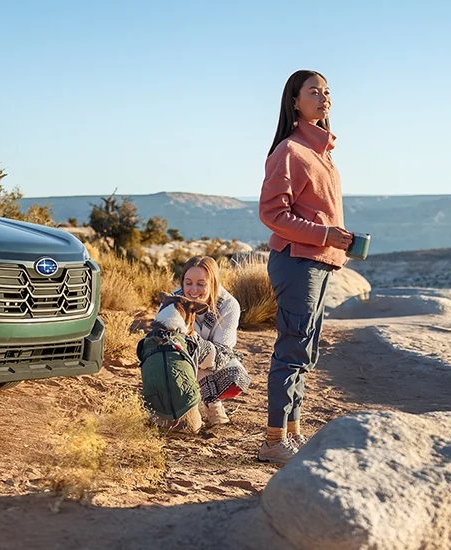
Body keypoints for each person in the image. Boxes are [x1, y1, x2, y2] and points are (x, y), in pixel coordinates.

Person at [257, 70, 354, 464]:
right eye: (314, 91)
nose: (323, 97)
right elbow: (271, 213)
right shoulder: (290, 151)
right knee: (292, 349)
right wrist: (324, 234)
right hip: (296, 261)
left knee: (305, 350)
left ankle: (291, 434)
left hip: (316, 262)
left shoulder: (322, 153)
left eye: (327, 91)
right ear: (295, 101)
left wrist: (335, 240)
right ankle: (273, 441)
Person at [172, 256, 250, 428]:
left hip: (213, 358)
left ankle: (213, 403)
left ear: (213, 282)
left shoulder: (229, 305)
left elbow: (222, 352)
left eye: (201, 284)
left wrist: (193, 345)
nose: (193, 290)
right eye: (188, 283)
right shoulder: (173, 300)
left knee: (235, 376)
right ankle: (185, 403)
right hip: (180, 358)